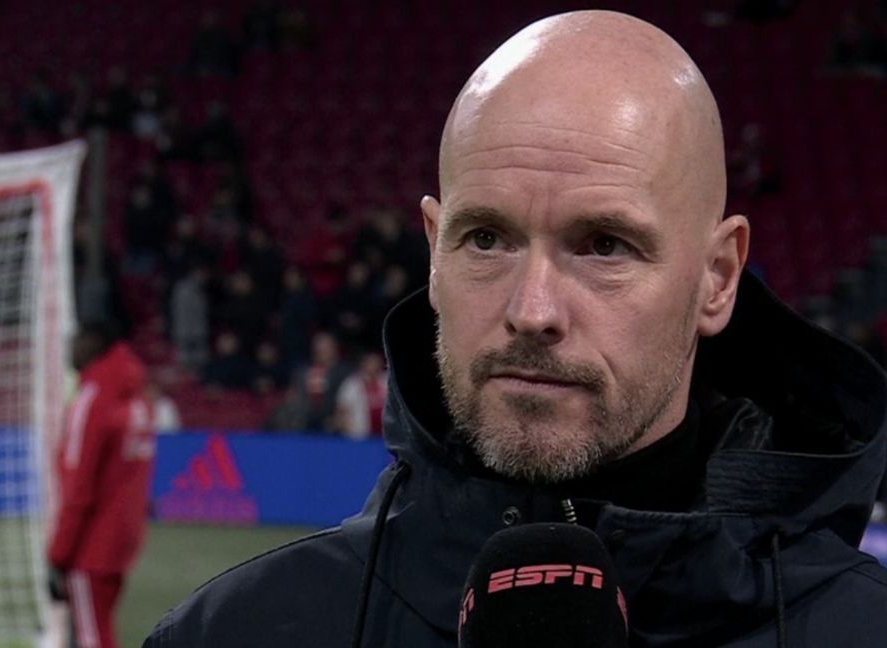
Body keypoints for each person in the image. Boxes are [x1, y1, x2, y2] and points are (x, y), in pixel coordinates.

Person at [144, 10, 887, 647]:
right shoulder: (234, 631)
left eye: (604, 246)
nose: (532, 312)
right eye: (486, 239)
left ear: (718, 277)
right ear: (434, 254)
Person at [48, 326, 156, 648]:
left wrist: (58, 554)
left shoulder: (94, 399)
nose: (70, 349)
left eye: (76, 341)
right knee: (98, 627)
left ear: (92, 345)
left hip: (92, 544)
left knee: (91, 637)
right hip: (121, 539)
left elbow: (80, 487)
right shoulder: (136, 396)